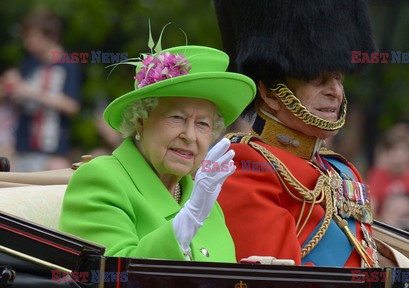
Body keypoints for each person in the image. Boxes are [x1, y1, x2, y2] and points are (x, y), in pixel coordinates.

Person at [214, 0, 407, 268]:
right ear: (270, 93)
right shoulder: (244, 165)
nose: (335, 92)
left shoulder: (341, 170)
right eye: (318, 80)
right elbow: (280, 286)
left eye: (338, 78)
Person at [59, 43, 256, 262]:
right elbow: (115, 275)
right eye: (177, 118)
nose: (190, 136)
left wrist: (254, 275)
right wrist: (189, 219)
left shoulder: (201, 197)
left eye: (202, 124)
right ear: (141, 121)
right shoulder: (100, 179)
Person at [7, 9, 82, 172]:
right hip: (22, 149)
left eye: (32, 37)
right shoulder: (29, 63)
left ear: (51, 36)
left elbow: (72, 106)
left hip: (52, 153)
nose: (27, 42)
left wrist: (34, 93)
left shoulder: (67, 65)